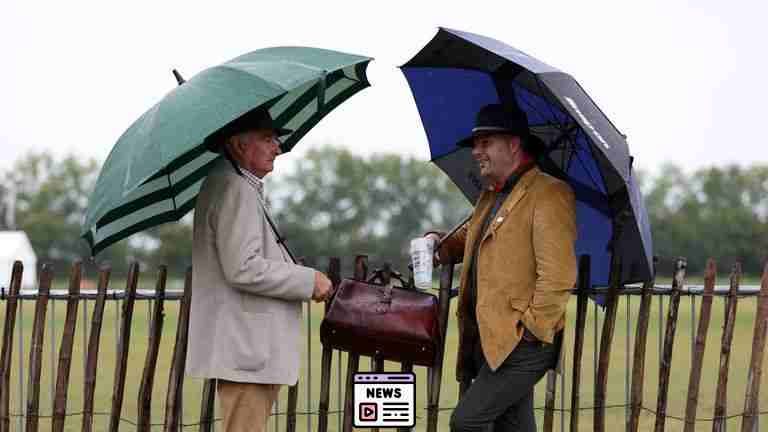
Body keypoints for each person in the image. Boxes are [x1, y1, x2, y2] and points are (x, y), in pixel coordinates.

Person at [426, 103, 577, 432]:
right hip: (489, 339)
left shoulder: (549, 193)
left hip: (522, 342)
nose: (476, 152)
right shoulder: (490, 195)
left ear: (513, 144)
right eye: (475, 145)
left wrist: (531, 331)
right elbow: (473, 240)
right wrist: (440, 242)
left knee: (467, 422)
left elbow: (558, 276)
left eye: (485, 143)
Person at [186, 107, 333, 432]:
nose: (277, 147)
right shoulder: (234, 188)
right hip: (246, 349)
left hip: (248, 349)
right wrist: (308, 280)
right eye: (268, 139)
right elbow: (243, 268)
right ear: (238, 145)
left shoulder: (235, 185)